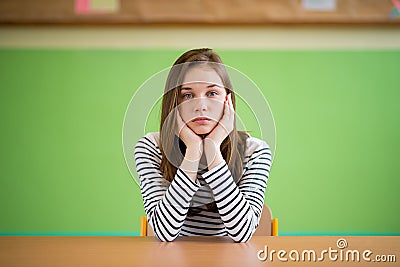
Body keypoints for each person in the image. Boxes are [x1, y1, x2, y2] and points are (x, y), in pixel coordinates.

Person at [134, 48, 272, 242]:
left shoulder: (255, 151)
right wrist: (193, 150)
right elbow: (164, 233)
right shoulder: (151, 147)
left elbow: (242, 233)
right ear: (174, 103)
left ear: (228, 100)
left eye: (212, 93)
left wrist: (212, 148)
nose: (201, 106)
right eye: (188, 95)